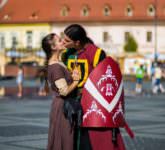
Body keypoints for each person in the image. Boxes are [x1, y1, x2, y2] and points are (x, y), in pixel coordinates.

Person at [62, 24, 126, 150]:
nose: (63, 42)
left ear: (77, 42)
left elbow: (104, 79)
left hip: (91, 102)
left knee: (88, 138)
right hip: (71, 99)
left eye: (67, 40)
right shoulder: (66, 54)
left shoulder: (95, 53)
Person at [42, 33, 81, 150]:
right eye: (59, 41)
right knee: (65, 140)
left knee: (63, 139)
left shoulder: (58, 63)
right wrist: (75, 81)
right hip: (63, 108)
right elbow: (64, 91)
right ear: (53, 47)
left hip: (61, 106)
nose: (63, 41)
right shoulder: (56, 67)